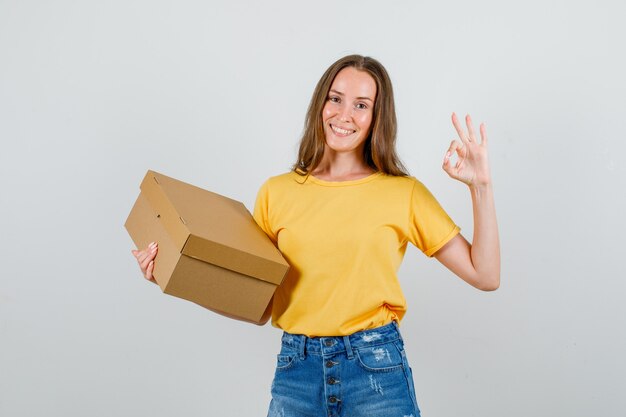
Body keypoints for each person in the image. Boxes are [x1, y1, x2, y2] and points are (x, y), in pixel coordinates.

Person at [131, 54, 500, 417]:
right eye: (335, 99)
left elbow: (485, 275)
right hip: (297, 373)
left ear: (376, 118)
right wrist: (173, 275)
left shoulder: (403, 193)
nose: (344, 115)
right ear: (320, 103)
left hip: (375, 372)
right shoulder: (277, 193)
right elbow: (259, 306)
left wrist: (480, 187)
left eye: (361, 105)